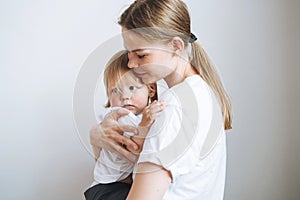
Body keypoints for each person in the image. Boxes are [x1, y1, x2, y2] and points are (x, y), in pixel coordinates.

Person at [90, 0, 232, 199]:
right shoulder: (199, 92)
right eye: (128, 54)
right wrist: (96, 138)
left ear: (175, 46)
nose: (130, 63)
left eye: (141, 55)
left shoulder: (174, 106)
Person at [85, 50, 164, 200]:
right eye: (115, 90)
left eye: (132, 88)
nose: (125, 96)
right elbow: (134, 148)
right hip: (109, 188)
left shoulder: (140, 116)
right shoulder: (120, 116)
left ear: (151, 89)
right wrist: (145, 124)